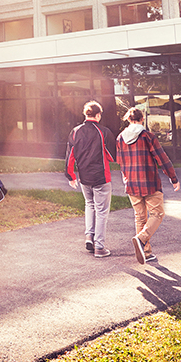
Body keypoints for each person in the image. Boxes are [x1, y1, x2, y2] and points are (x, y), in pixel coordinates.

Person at [116, 108, 181, 265]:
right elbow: (162, 158)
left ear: (128, 120)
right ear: (142, 119)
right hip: (149, 182)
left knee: (140, 217)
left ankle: (146, 252)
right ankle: (141, 239)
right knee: (158, 214)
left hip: (131, 183)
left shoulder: (120, 138)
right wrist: (173, 178)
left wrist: (126, 178)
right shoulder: (147, 136)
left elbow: (120, 161)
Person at [65, 101, 116, 258]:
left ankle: (89, 236)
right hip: (101, 177)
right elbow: (112, 156)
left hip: (84, 177)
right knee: (101, 211)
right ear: (98, 115)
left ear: (85, 114)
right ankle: (99, 247)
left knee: (89, 204)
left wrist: (70, 175)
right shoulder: (104, 132)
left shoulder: (75, 131)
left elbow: (70, 156)